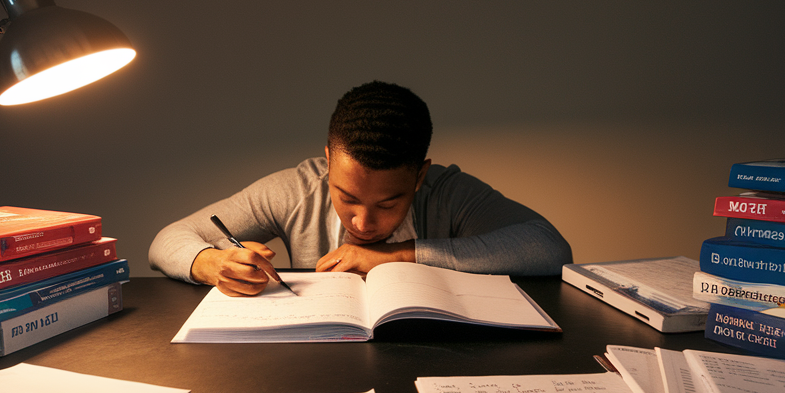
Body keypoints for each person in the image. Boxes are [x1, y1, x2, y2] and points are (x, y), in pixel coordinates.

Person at [148, 82, 573, 296]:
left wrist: (393, 257)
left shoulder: (447, 192)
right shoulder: (296, 189)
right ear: (328, 162)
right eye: (347, 197)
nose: (363, 221)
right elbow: (167, 239)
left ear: (419, 177)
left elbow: (549, 248)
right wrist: (211, 263)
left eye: (390, 202)